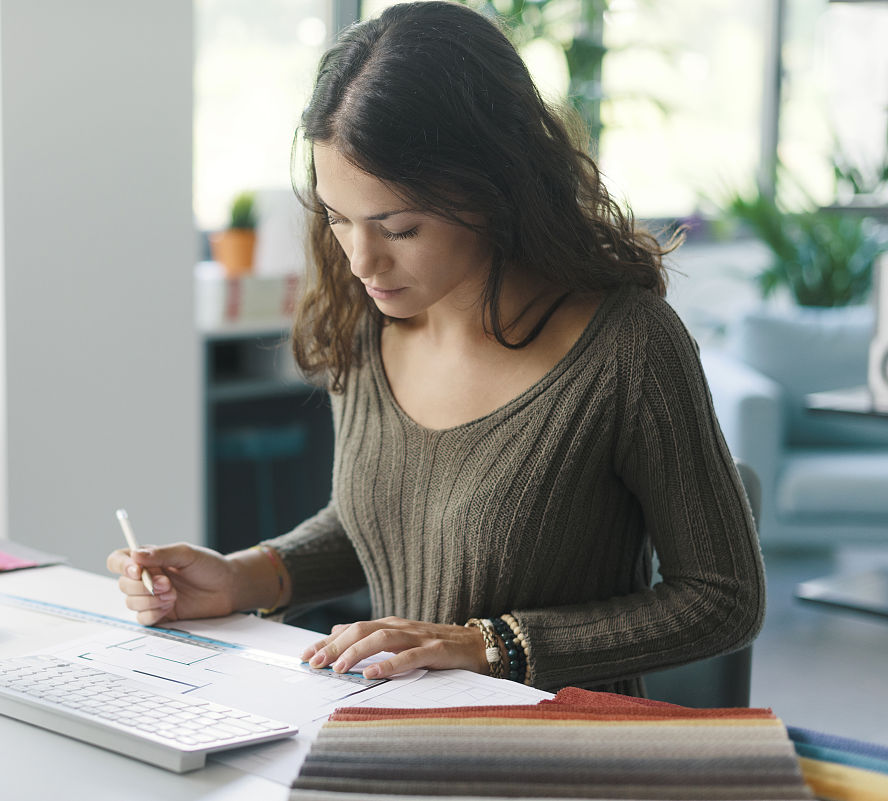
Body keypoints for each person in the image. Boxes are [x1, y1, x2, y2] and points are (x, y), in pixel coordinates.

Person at [106, 0, 764, 696]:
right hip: (395, 729)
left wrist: (491, 644)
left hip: (559, 752)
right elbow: (385, 518)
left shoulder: (628, 349)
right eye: (337, 218)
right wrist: (246, 576)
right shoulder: (366, 320)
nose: (362, 260)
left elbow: (723, 598)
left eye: (399, 228)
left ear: (493, 189)